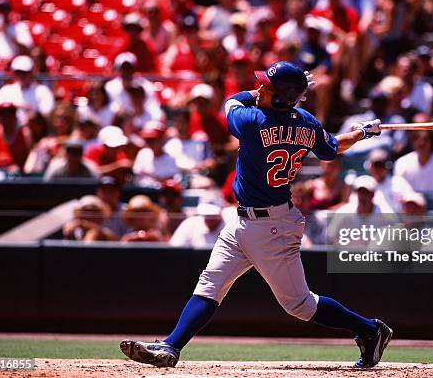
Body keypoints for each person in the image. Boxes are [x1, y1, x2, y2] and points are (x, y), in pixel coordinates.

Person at [120, 61, 392, 368]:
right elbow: (331, 149)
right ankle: (170, 346)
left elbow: (232, 100)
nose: (260, 87)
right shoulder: (305, 122)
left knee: (300, 305)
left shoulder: (252, 120)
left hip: (272, 226)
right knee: (210, 284)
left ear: (280, 96)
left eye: (267, 86)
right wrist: (361, 133)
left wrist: (282, 93)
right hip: (244, 220)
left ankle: (370, 330)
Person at [0, 56, 55, 124]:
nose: (21, 75)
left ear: (32, 72)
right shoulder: (6, 90)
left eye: (25, 72)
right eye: (18, 72)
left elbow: (46, 115)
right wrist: (16, 107)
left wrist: (30, 112)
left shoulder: (43, 91)